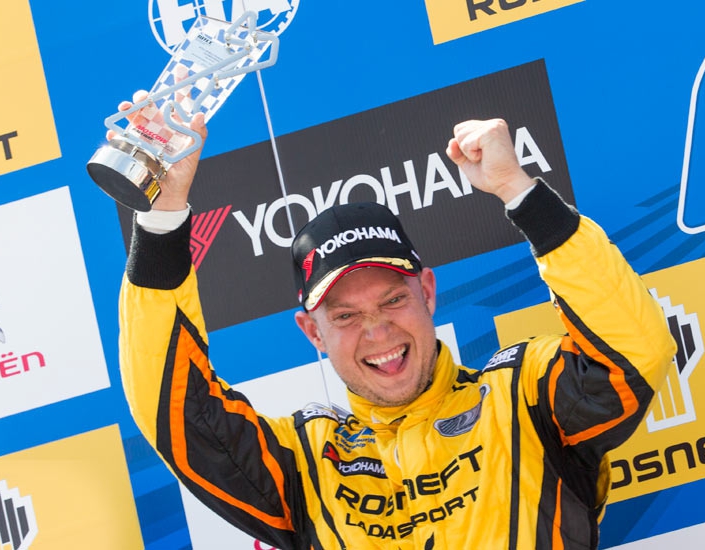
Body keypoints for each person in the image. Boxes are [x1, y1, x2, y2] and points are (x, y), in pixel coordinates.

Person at [116, 102, 676, 549]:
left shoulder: (522, 396)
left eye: (392, 301)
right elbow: (176, 413)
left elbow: (635, 352)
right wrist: (162, 220)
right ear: (313, 333)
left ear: (427, 293)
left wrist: (520, 193)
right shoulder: (304, 462)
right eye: (346, 316)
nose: (378, 331)